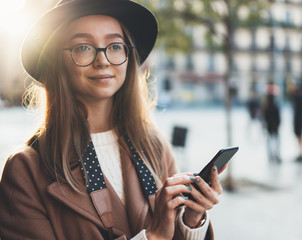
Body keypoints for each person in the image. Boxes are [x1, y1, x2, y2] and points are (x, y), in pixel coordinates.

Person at [0, 0, 220, 239]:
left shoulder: (155, 145)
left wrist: (191, 219)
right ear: (57, 61)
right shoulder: (25, 169)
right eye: (83, 47)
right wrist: (152, 237)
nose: (103, 60)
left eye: (115, 46)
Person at [262, 91, 281, 164]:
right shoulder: (275, 107)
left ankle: (270, 155)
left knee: (269, 142)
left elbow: (264, 118)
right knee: (276, 142)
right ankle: (276, 155)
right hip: (275, 127)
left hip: (269, 127)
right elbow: (278, 118)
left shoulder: (266, 107)